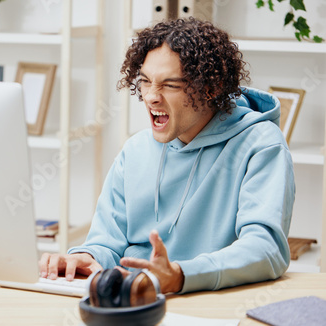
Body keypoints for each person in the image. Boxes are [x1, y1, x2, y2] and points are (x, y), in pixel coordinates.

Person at [39, 17, 295, 294]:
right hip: (135, 301)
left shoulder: (260, 144)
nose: (150, 97)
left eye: (170, 85)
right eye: (146, 82)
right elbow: (106, 243)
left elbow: (267, 249)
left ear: (211, 88)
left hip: (209, 302)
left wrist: (182, 275)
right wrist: (86, 258)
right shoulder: (135, 150)